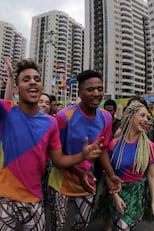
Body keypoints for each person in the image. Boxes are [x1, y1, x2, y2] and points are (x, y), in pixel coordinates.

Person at [0, 11, 102, 231]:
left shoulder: (50, 123)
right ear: (17, 89)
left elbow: (58, 161)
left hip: (35, 202)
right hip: (4, 200)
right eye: (26, 79)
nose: (33, 82)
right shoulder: (4, 110)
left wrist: (82, 156)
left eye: (37, 79)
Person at [48, 70, 118, 231]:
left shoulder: (106, 117)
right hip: (61, 181)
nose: (96, 93)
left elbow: (103, 150)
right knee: (58, 226)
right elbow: (56, 156)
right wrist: (78, 173)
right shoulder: (64, 116)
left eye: (100, 89)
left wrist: (111, 174)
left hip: (87, 181)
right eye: (90, 89)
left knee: (84, 223)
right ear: (80, 92)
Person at [96, 102, 154, 230]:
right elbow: (108, 173)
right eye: (142, 115)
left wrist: (153, 199)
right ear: (130, 117)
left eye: (147, 117)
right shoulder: (114, 144)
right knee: (120, 226)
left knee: (125, 227)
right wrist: (115, 196)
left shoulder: (149, 146)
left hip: (136, 194)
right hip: (117, 191)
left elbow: (152, 175)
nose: (145, 120)